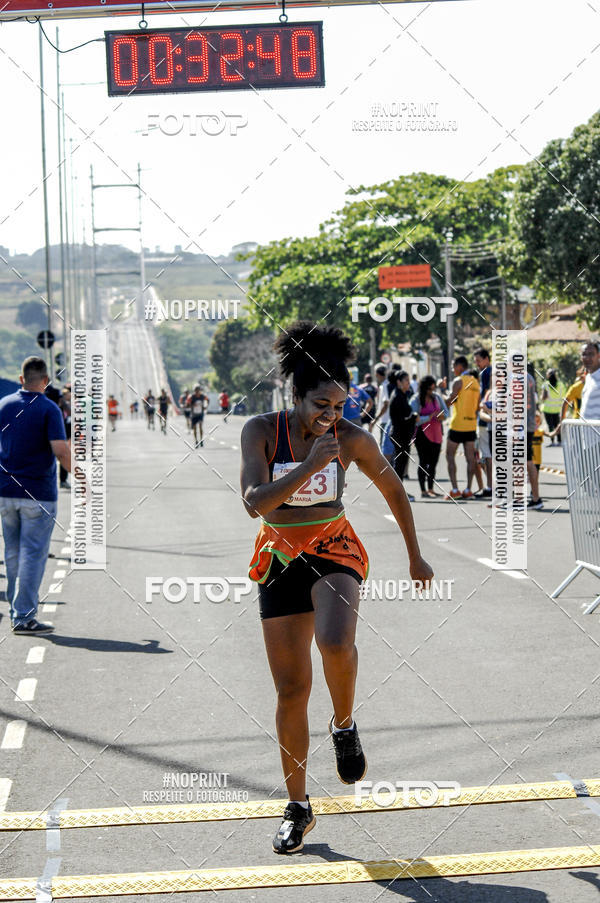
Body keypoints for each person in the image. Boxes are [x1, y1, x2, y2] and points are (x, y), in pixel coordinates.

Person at [241, 322, 433, 855]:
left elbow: (394, 490)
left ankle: (343, 725)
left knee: (334, 641)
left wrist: (415, 555)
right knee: (291, 689)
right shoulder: (261, 431)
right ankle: (297, 807)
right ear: (295, 397)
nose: (332, 415)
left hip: (333, 548)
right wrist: (309, 465)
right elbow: (254, 501)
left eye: (341, 405)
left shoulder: (351, 439)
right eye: (321, 404)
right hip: (280, 554)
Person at [0, 357, 71, 634]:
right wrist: (81, 477)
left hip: (5, 492)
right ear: (45, 381)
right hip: (38, 494)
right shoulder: (48, 408)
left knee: (12, 553)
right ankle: (24, 617)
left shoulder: (4, 405)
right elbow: (60, 451)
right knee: (33, 554)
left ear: (21, 379)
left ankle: (16, 611)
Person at [444, 356, 480, 500]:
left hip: (458, 424)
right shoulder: (475, 382)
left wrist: (442, 391)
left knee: (449, 455)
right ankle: (468, 489)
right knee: (470, 459)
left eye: (453, 366)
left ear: (460, 366)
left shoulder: (458, 381)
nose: (452, 369)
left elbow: (449, 401)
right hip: (471, 425)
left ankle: (455, 490)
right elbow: (477, 406)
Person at [410, 376, 449, 498]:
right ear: (424, 388)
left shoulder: (437, 397)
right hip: (422, 434)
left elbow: (446, 412)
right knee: (423, 461)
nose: (431, 391)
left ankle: (431, 488)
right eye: (429, 389)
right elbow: (413, 418)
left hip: (436, 433)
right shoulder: (416, 399)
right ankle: (423, 490)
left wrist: (441, 416)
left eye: (433, 389)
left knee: (433, 462)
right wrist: (429, 417)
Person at [388, 370, 416, 500]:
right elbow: (402, 418)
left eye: (409, 380)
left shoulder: (404, 394)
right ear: (399, 382)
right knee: (399, 465)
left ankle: (398, 492)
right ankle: (397, 493)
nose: (408, 383)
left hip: (403, 435)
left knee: (401, 464)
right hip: (399, 434)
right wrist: (414, 417)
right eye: (406, 381)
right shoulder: (397, 396)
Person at [473, 348, 492, 497]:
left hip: (485, 419)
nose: (477, 364)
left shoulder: (486, 373)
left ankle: (490, 486)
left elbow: (484, 397)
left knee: (486, 454)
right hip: (492, 419)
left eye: (479, 361)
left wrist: (480, 409)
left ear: (486, 359)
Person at [526, 365, 543, 510]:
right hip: (528, 425)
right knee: (527, 461)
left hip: (521, 427)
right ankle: (535, 498)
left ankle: (535, 498)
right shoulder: (529, 377)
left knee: (525, 462)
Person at [368, 364, 392, 461]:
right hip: (389, 420)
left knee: (385, 451)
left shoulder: (385, 386)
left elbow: (386, 404)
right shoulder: (388, 384)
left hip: (385, 421)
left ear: (377, 374)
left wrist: (375, 419)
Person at [541, 369, 564, 445]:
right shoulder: (561, 385)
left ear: (548, 375)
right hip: (557, 409)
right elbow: (564, 396)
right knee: (557, 425)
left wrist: (541, 397)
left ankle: (552, 441)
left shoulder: (546, 384)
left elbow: (543, 397)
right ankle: (559, 441)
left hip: (547, 409)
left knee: (550, 426)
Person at [579, 341, 600, 421]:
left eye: (591, 354)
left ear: (598, 355)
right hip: (585, 428)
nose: (587, 358)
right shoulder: (588, 377)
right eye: (584, 354)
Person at [59, 383, 72, 489]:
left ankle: (63, 480)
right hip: (59, 436)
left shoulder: (67, 405)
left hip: (66, 435)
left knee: (64, 456)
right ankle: (62, 480)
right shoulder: (60, 406)